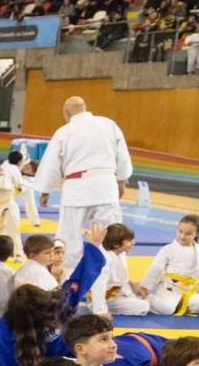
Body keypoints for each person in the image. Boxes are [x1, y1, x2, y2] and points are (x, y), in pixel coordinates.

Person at [32, 96, 132, 270]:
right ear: (85, 108)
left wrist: (46, 191)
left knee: (69, 238)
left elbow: (51, 165)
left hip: (76, 188)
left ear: (66, 112)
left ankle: (68, 278)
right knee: (112, 236)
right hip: (105, 185)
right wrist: (121, 181)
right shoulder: (108, 124)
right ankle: (114, 280)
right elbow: (122, 156)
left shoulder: (64, 131)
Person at [140, 214, 199, 316]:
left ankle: (179, 304)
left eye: (188, 234)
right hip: (169, 288)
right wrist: (145, 288)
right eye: (180, 232)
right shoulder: (168, 249)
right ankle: (149, 298)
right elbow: (155, 269)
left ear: (197, 234)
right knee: (167, 309)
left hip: (189, 290)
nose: (182, 236)